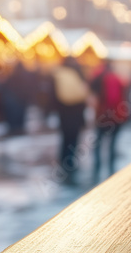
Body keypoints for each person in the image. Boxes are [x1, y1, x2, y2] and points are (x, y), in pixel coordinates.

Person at [51, 56, 88, 184]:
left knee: (65, 139)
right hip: (76, 114)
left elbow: (53, 98)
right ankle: (70, 163)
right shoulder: (77, 74)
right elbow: (83, 98)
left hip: (64, 114)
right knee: (74, 140)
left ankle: (63, 162)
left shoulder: (57, 74)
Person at [90, 60, 129, 183]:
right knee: (112, 143)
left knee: (98, 143)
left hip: (103, 115)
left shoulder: (100, 77)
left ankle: (97, 168)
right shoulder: (117, 78)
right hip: (116, 116)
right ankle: (110, 169)